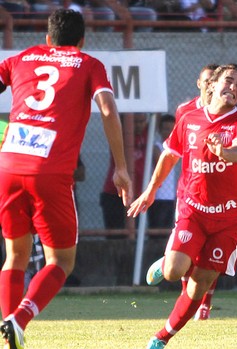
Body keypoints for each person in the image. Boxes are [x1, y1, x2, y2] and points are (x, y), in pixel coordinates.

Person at [0, 9, 132, 349]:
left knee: (15, 255)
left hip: (9, 166)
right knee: (61, 261)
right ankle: (19, 319)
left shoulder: (22, 58)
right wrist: (120, 167)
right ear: (82, 40)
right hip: (49, 172)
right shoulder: (88, 64)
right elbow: (107, 108)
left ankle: (9, 327)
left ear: (47, 38)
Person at [128, 64, 237, 349]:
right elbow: (170, 155)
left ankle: (162, 337)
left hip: (231, 216)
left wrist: (225, 151)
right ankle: (167, 262)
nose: (234, 87)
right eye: (229, 81)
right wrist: (150, 191)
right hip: (193, 210)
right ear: (211, 86)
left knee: (200, 283)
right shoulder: (188, 117)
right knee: (174, 272)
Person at [145, 64, 219, 322]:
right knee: (189, 250)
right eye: (207, 80)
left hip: (220, 197)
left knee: (212, 253)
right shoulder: (185, 111)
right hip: (190, 192)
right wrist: (152, 189)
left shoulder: (229, 114)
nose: (212, 85)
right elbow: (174, 152)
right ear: (199, 82)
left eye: (216, 81)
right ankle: (183, 293)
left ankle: (204, 304)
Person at [100, 112, 148, 230]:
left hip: (137, 193)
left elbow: (156, 115)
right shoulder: (120, 135)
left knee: (135, 231)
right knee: (115, 232)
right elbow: (112, 119)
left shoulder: (146, 134)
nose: (139, 125)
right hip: (115, 192)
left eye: (142, 122)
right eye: (135, 122)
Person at [149, 114, 177, 229]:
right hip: (157, 197)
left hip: (170, 197)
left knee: (168, 230)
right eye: (166, 129)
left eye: (171, 130)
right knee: (156, 229)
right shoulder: (157, 147)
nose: (168, 133)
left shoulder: (175, 148)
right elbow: (164, 162)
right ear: (159, 130)